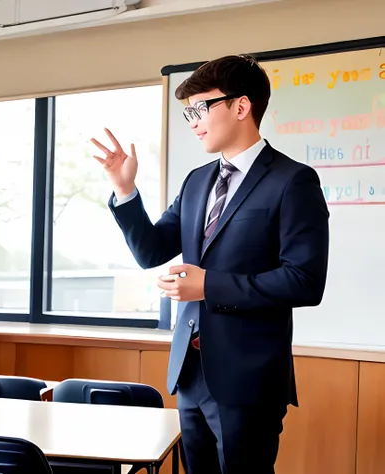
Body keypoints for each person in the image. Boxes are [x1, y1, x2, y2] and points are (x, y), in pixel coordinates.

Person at [91, 54, 329, 474]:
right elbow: (151, 251)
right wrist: (124, 191)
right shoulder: (197, 180)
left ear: (241, 106)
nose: (193, 121)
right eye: (188, 112)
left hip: (248, 377)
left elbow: (305, 281)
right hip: (190, 371)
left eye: (201, 108)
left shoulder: (293, 181)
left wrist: (210, 285)